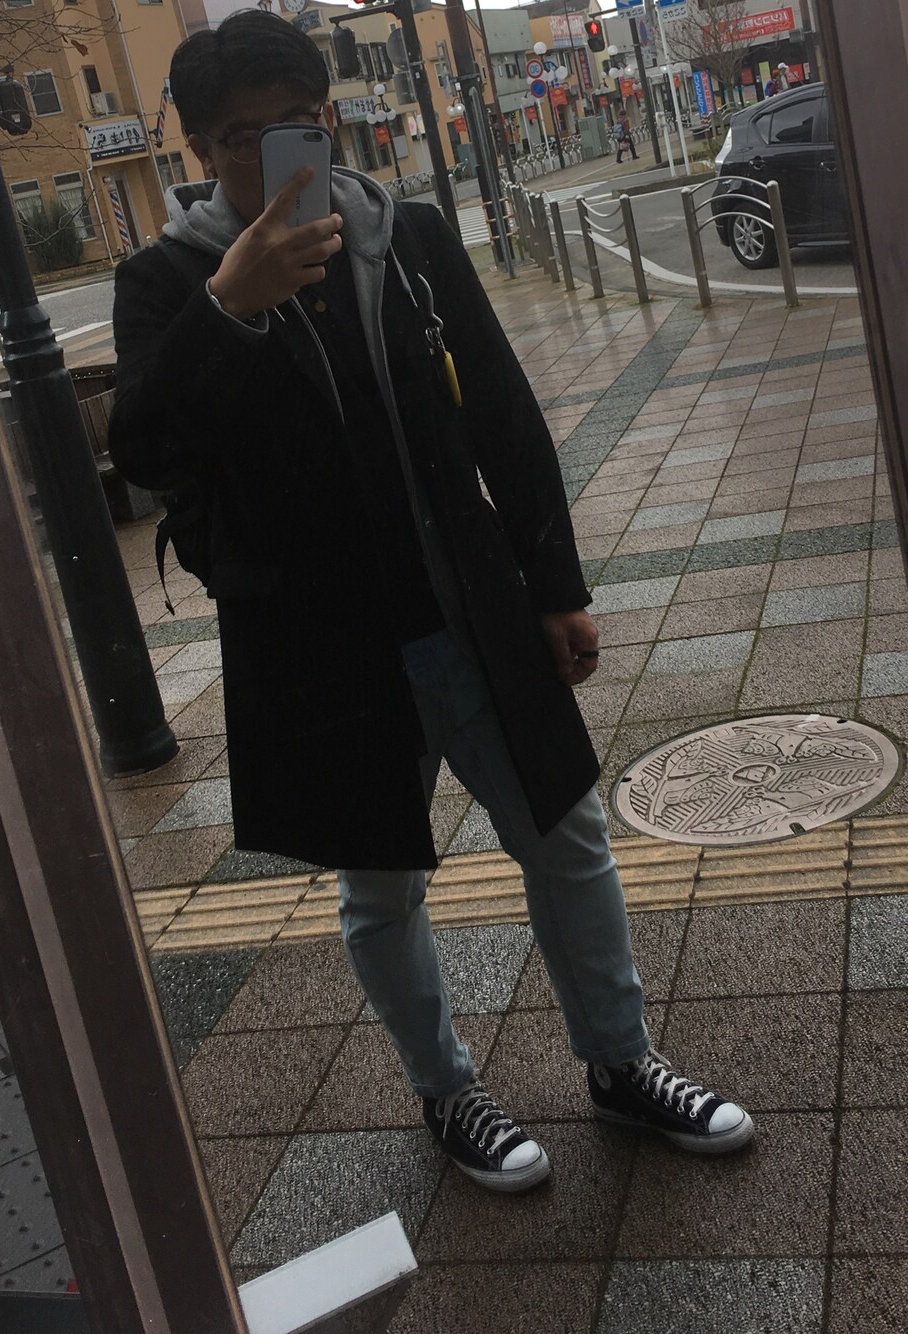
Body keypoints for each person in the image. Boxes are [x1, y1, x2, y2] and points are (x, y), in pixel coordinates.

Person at [108, 11, 754, 1194]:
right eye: (243, 136)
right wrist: (228, 307)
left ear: (330, 118)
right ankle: (446, 1087)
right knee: (380, 884)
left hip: (470, 608)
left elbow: (501, 409)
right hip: (321, 644)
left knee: (566, 834)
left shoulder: (405, 238)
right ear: (199, 149)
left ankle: (620, 1061)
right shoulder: (165, 282)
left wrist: (554, 587)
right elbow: (144, 448)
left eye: (297, 122)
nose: (275, 151)